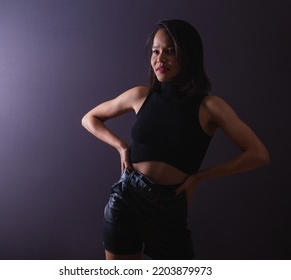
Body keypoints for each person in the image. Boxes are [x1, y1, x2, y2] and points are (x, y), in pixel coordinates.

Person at [81, 19, 270, 260]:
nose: (160, 59)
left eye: (170, 51)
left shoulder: (210, 107)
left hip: (168, 209)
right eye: (155, 51)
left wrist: (200, 177)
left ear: (187, 55)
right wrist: (120, 146)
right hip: (126, 200)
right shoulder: (140, 95)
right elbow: (90, 118)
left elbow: (258, 154)